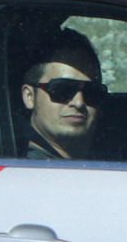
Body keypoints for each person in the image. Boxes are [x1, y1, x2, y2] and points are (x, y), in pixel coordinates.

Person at [11, 27, 107, 159]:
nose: (79, 102)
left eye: (92, 92)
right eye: (62, 90)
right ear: (29, 97)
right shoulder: (24, 172)